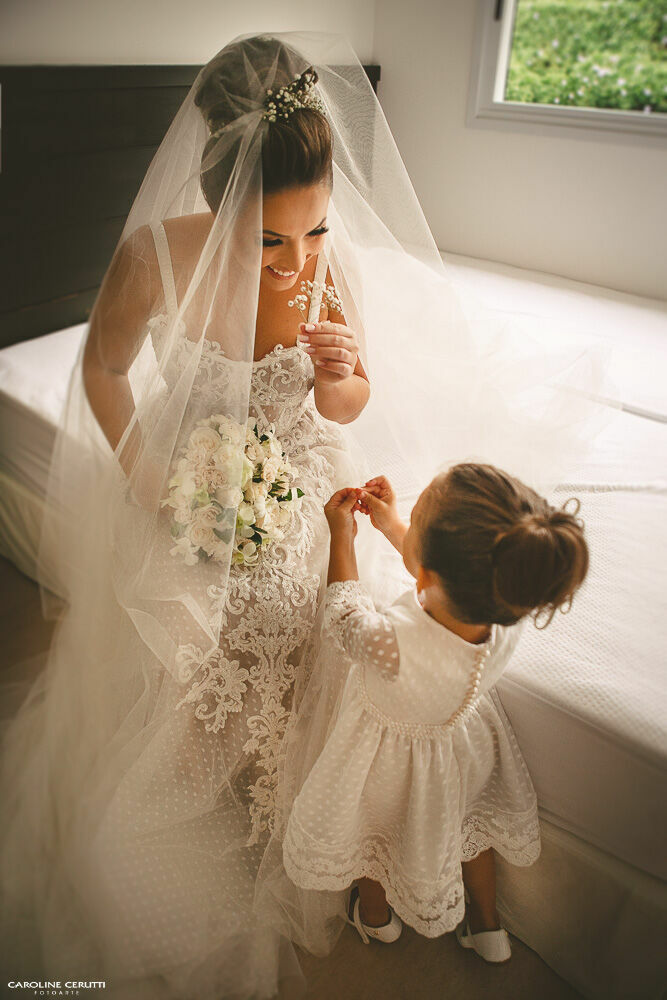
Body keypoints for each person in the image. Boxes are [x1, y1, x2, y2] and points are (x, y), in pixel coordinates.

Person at [0, 30, 607, 1000]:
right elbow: (103, 370)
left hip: (305, 464)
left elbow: (347, 402)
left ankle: (317, 795)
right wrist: (146, 466)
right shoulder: (153, 259)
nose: (297, 263)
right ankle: (216, 767)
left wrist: (338, 379)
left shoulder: (332, 267)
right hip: (193, 471)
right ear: (218, 205)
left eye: (316, 231)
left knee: (326, 614)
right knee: (205, 623)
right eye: (270, 240)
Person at [283, 464, 588, 963]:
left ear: (426, 573)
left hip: (388, 765)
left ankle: (377, 919)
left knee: (369, 840)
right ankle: (486, 926)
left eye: (416, 519)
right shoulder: (505, 608)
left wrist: (344, 536)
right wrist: (392, 524)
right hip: (463, 749)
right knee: (470, 827)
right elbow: (445, 580)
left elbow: (343, 616)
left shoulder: (392, 643)